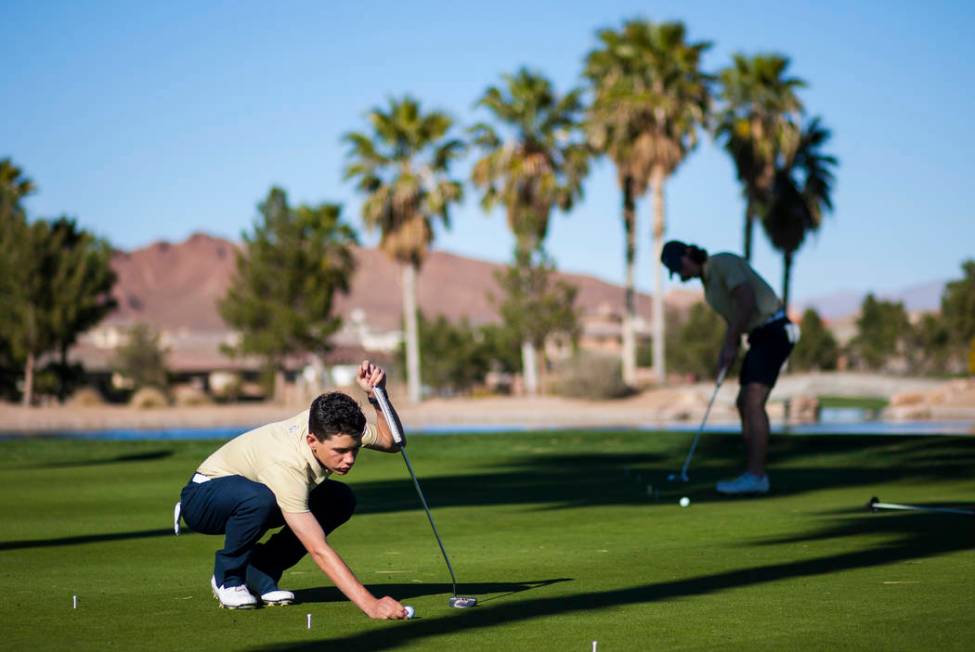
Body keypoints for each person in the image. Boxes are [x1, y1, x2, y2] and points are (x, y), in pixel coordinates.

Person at [175, 360, 410, 618]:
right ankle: (228, 578)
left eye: (354, 448)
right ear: (312, 440)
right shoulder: (288, 463)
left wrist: (377, 396)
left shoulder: (336, 427)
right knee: (261, 499)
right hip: (203, 499)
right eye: (340, 452)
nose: (350, 459)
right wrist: (371, 604)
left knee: (338, 498)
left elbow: (393, 441)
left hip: (251, 493)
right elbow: (317, 547)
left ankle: (259, 570)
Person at [661, 240, 798, 495]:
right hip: (759, 336)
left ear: (689, 254)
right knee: (743, 401)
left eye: (678, 266)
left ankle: (756, 476)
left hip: (775, 329)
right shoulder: (709, 289)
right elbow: (734, 319)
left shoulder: (721, 262)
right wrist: (727, 351)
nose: (679, 274)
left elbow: (746, 300)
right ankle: (753, 472)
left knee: (754, 400)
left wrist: (731, 342)